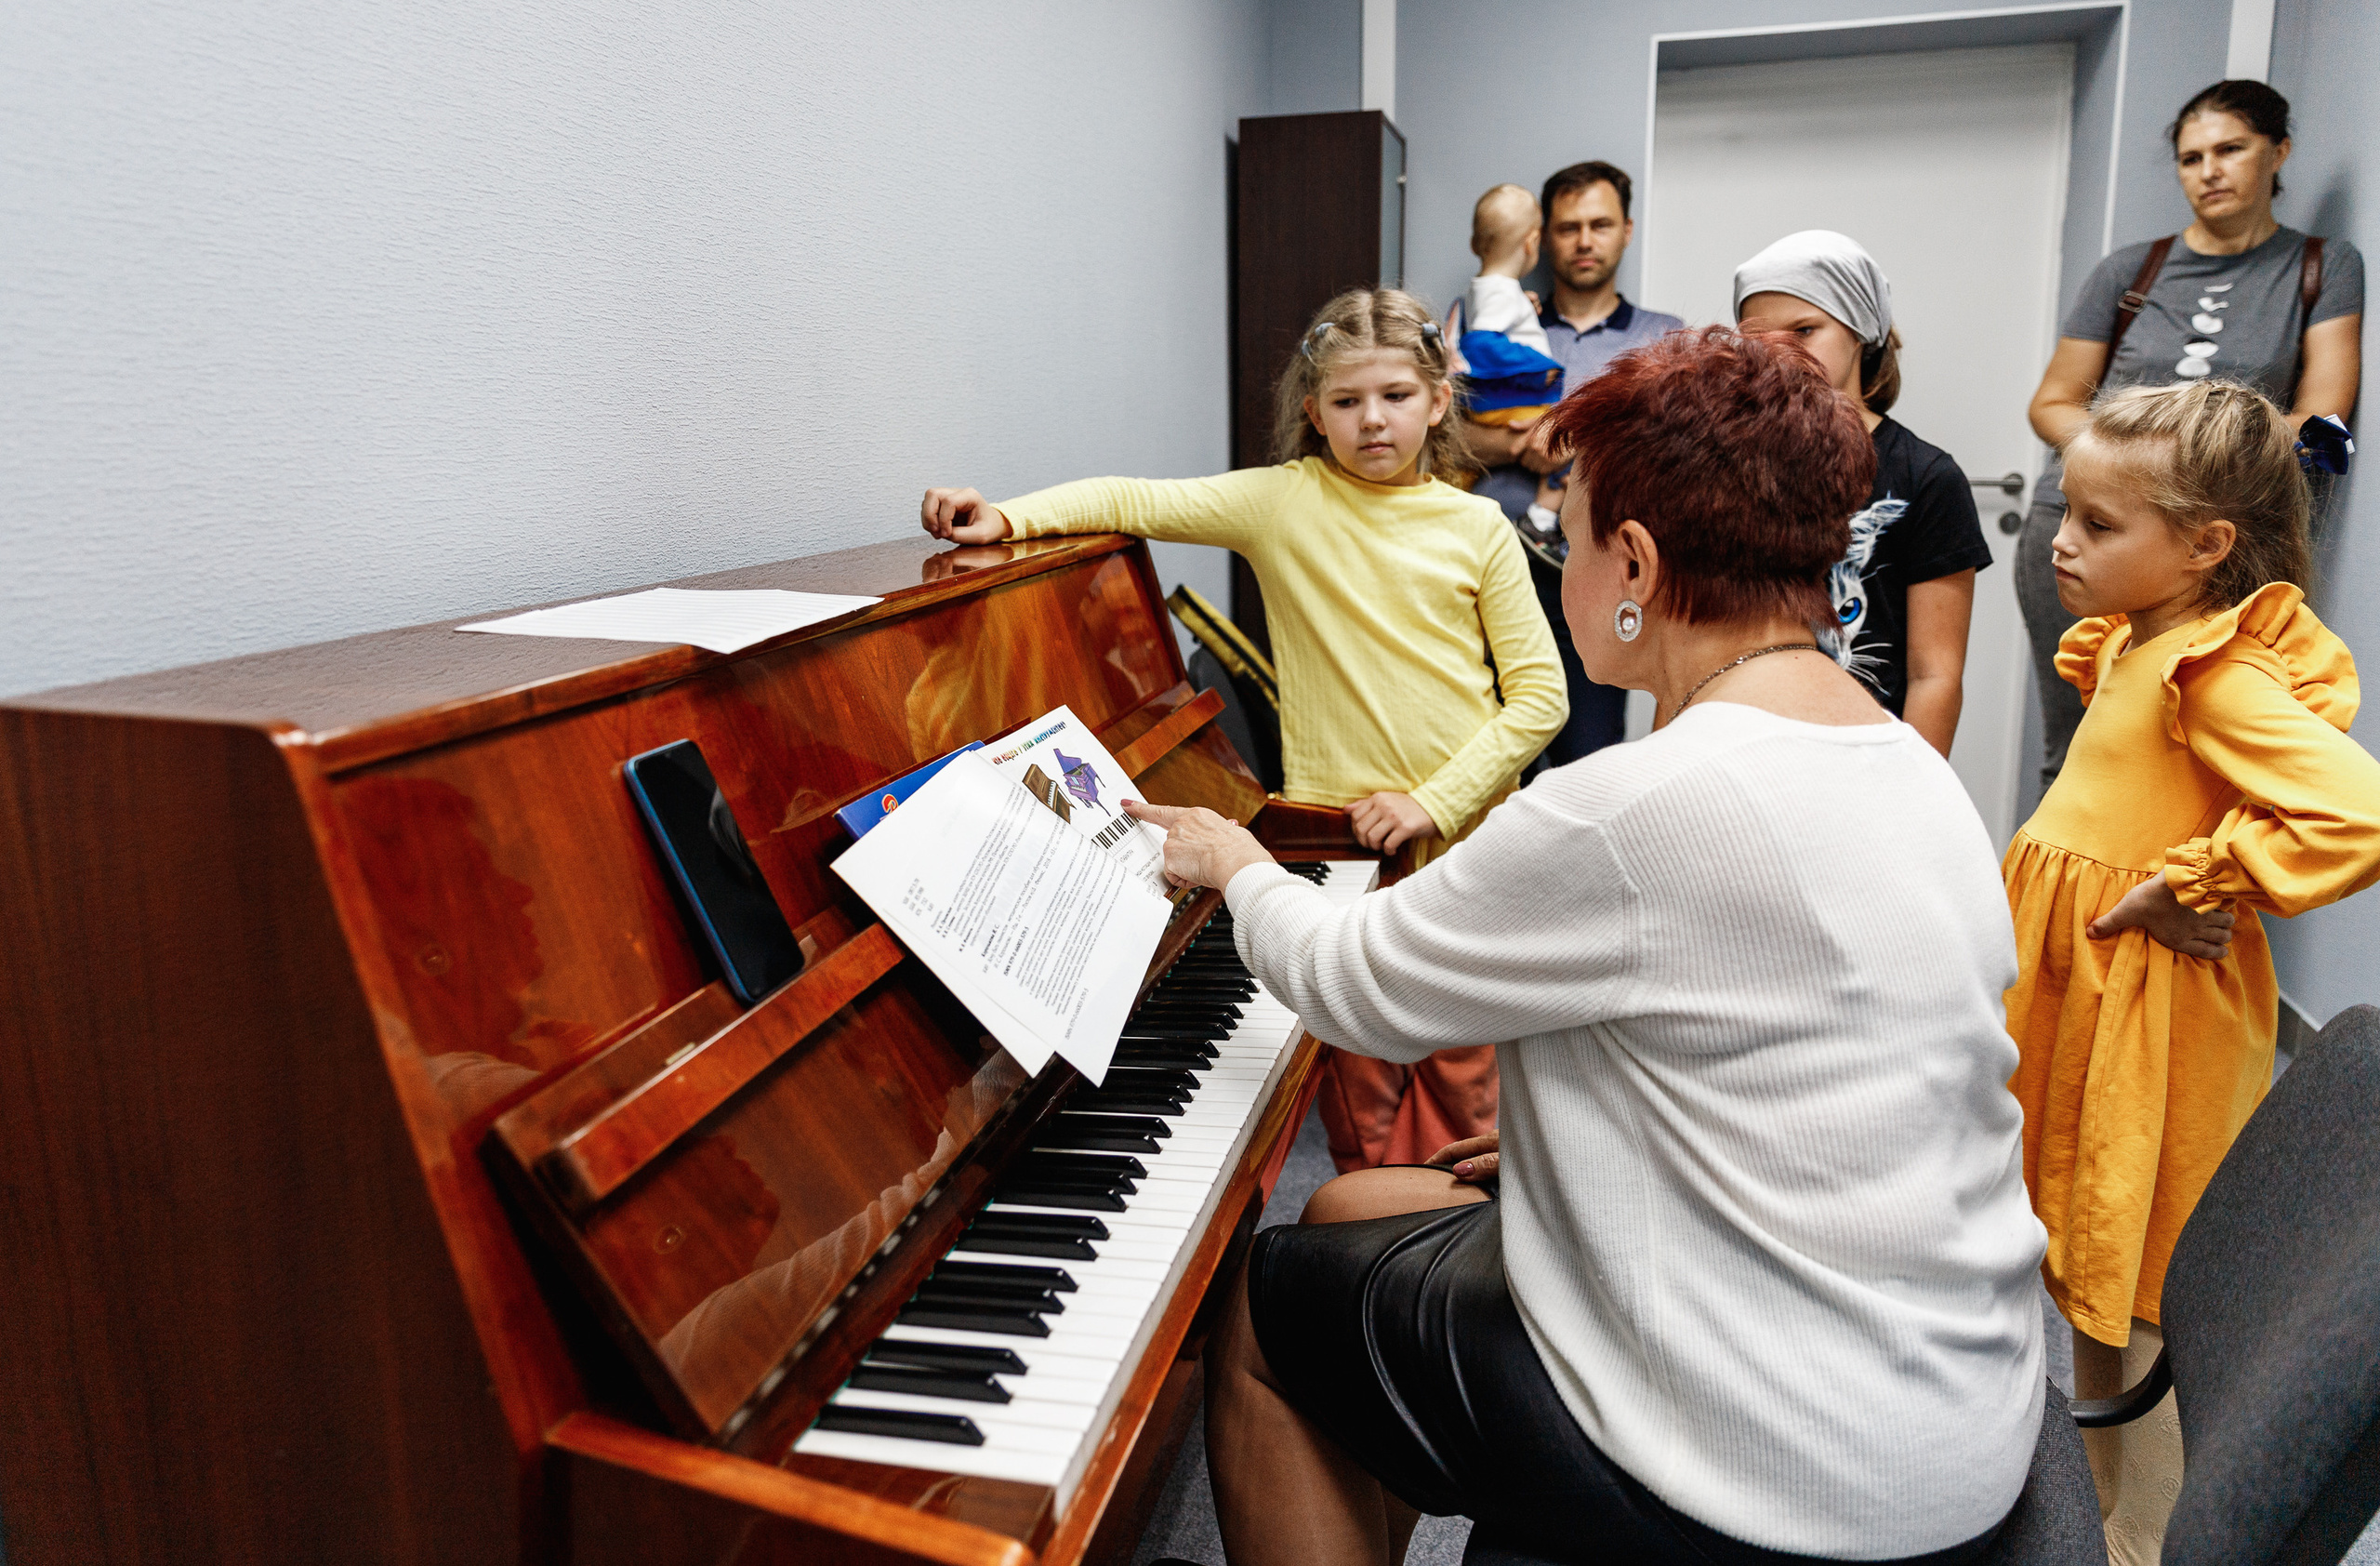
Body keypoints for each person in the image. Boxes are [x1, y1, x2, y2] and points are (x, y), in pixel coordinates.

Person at [1122, 327, 2046, 1566]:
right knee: (1354, 1204)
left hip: (1784, 1458)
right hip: (1948, 1397)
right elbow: (1827, 1040)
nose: (1553, 562)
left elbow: (1353, 985)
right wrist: (1596, 1120)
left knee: (1268, 1304)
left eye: (1563, 537)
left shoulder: (1629, 808)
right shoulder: (1902, 764)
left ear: (1637, 565)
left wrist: (1236, 866)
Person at [920, 286, 1566, 1174]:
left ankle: (1472, 1267)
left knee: (1476, 1086)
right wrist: (1010, 516)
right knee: (1364, 1097)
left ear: (1438, 401)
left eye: (1396, 397)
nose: (1372, 420)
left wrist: (1432, 801)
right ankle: (1369, 1246)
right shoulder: (1282, 503)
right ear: (1314, 412)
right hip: (1340, 849)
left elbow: (1540, 697)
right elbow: (1135, 499)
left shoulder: (1478, 527)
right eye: (1346, 402)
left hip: (1470, 843)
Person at [2002, 378, 2380, 1565]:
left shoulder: (2212, 674)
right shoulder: (2135, 641)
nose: (2061, 543)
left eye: (2100, 526)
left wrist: (2205, 880)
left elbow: (2357, 811)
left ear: (2207, 545)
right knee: (2093, 1259)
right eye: (2066, 513)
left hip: (2151, 1014)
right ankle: (2099, 1499)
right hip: (2087, 993)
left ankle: (2151, 1535)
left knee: (2155, 1271)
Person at [2019, 79, 2364, 791]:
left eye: (2231, 149)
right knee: (2080, 747)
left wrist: (2189, 473)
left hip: (2214, 550)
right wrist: (2133, 468)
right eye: (2190, 157)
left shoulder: (2322, 267)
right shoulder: (2129, 271)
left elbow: (2321, 414)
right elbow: (2051, 402)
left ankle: (2173, 900)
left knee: (2197, 761)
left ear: (2279, 152)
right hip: (2087, 528)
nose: (2209, 170)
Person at [1735, 230, 1992, 756]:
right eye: (1758, 341)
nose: (1782, 355)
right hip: (1746, 752)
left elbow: (1934, 676)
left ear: (1861, 332)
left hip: (1865, 756)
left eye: (1805, 330)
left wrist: (1913, 795)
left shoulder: (1927, 478)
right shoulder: (1726, 470)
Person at [1467, 162, 1686, 767]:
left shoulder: (1666, 342)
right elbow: (1444, 439)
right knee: (1486, 769)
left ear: (1627, 230)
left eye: (1600, 224)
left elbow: (1680, 463)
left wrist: (1581, 446)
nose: (1585, 241)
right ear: (1542, 239)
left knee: (1587, 763)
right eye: (1568, 227)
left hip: (1602, 582)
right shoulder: (1503, 327)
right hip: (1491, 577)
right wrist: (1518, 446)